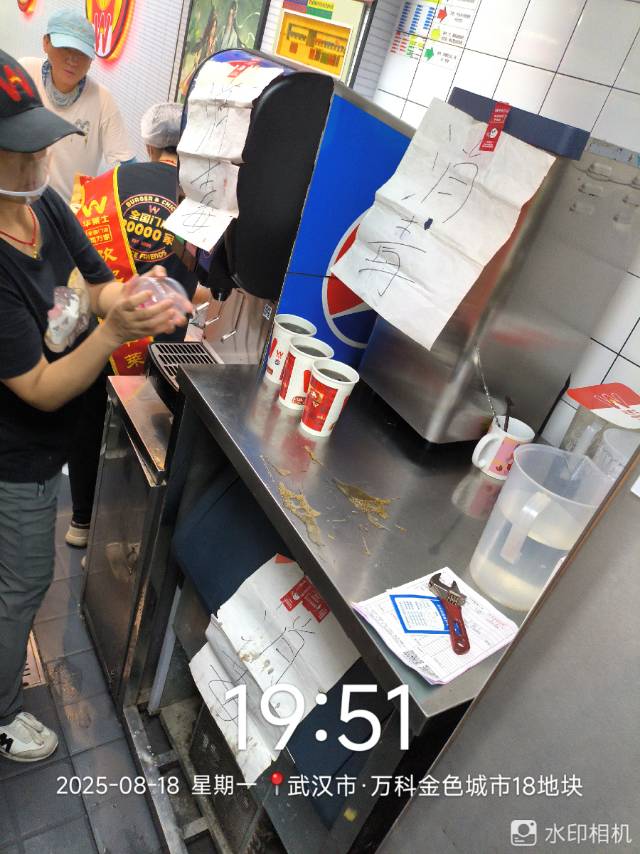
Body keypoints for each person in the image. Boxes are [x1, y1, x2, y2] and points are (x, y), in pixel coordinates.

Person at [0, 51, 188, 762]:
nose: (38, 158)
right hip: (14, 452)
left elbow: (98, 279)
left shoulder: (40, 201)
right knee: (26, 580)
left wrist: (130, 297)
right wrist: (112, 331)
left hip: (49, 435)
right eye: (19, 149)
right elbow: (40, 386)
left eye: (40, 141)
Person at [64, 102, 204, 548]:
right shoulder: (200, 203)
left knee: (88, 424)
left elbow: (73, 263)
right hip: (160, 343)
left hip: (99, 331)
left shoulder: (105, 186)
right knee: (145, 438)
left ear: (148, 143)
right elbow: (204, 289)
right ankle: (124, 534)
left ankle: (81, 523)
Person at [20, 9, 134, 200]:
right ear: (46, 43)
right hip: (22, 201)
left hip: (70, 211)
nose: (72, 60)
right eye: (66, 48)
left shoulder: (102, 99)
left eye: (81, 53)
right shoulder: (25, 73)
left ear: (91, 60)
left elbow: (126, 164)